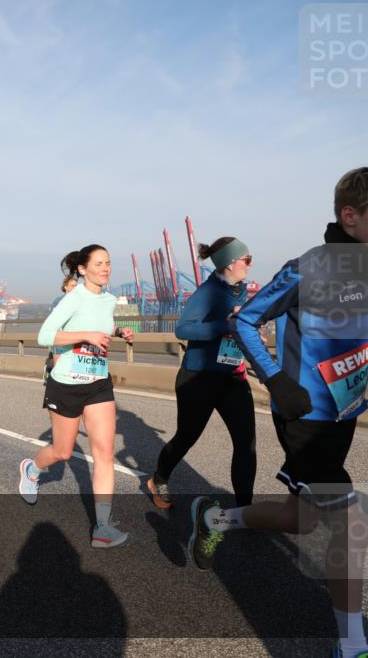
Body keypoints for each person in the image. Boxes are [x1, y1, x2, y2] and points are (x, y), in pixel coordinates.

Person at [189, 168, 368, 658]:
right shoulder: (308, 268)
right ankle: (351, 645)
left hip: (345, 412)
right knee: (352, 521)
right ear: (349, 217)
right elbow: (244, 321)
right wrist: (276, 380)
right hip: (303, 413)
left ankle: (218, 520)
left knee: (301, 519)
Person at [20, 245, 135, 549]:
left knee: (104, 452)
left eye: (108, 262)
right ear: (83, 269)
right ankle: (31, 469)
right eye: (98, 263)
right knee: (63, 452)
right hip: (66, 384)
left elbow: (102, 323)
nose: (106, 268)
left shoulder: (109, 300)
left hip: (98, 383)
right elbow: (44, 336)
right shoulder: (73, 298)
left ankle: (102, 526)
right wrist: (85, 336)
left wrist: (119, 331)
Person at [147, 236, 257, 510]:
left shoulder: (240, 291)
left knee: (246, 443)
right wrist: (223, 326)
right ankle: (159, 477)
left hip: (233, 378)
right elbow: (183, 329)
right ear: (230, 263)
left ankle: (245, 508)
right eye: (247, 259)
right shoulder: (208, 292)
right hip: (199, 380)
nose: (250, 265)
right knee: (187, 436)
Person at [44, 276, 79, 381]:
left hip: (74, 339)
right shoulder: (58, 301)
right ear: (66, 287)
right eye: (73, 286)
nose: (75, 288)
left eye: (76, 286)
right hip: (60, 338)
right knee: (59, 367)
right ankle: (50, 372)